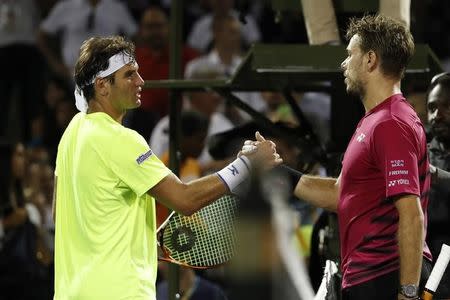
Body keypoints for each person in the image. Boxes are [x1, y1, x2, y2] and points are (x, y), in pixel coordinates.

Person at [52, 35, 282, 299]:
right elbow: (184, 199)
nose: (141, 82)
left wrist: (132, 241)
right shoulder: (122, 139)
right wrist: (246, 165)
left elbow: (62, 214)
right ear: (103, 85)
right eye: (129, 75)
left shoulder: (71, 132)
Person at [244, 15, 431, 300]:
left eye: (349, 55)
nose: (344, 63)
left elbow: (411, 214)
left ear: (370, 60)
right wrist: (277, 170)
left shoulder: (391, 123)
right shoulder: (374, 121)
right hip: (366, 278)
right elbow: (339, 193)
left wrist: (408, 292)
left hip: (385, 277)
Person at [425, 72, 450, 299]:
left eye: (446, 107)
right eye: (432, 108)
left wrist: (434, 175)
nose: (437, 115)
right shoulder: (419, 148)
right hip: (426, 272)